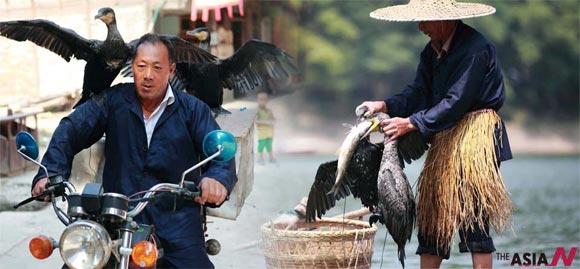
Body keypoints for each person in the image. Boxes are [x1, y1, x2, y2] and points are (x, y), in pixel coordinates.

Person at [31, 33, 237, 269]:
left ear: (171, 71)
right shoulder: (112, 101)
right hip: (116, 218)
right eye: (141, 66)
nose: (148, 75)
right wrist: (49, 172)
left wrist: (216, 179)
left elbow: (221, 151)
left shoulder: (193, 109)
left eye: (156, 67)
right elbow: (71, 129)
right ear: (133, 67)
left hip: (176, 223)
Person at [360, 1, 513, 268]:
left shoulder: (475, 49)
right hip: (445, 137)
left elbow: (456, 101)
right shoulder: (431, 52)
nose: (420, 27)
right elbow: (419, 92)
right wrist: (384, 105)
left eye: (425, 21)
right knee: (432, 223)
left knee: (474, 224)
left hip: (475, 139)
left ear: (444, 20)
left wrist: (410, 123)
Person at [255, 92, 276, 164]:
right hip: (262, 133)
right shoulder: (257, 111)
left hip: (269, 132)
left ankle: (271, 158)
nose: (263, 101)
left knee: (269, 146)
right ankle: (260, 158)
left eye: (264, 100)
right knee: (261, 146)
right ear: (257, 100)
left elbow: (273, 120)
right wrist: (265, 122)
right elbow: (256, 121)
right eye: (261, 99)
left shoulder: (269, 111)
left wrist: (272, 122)